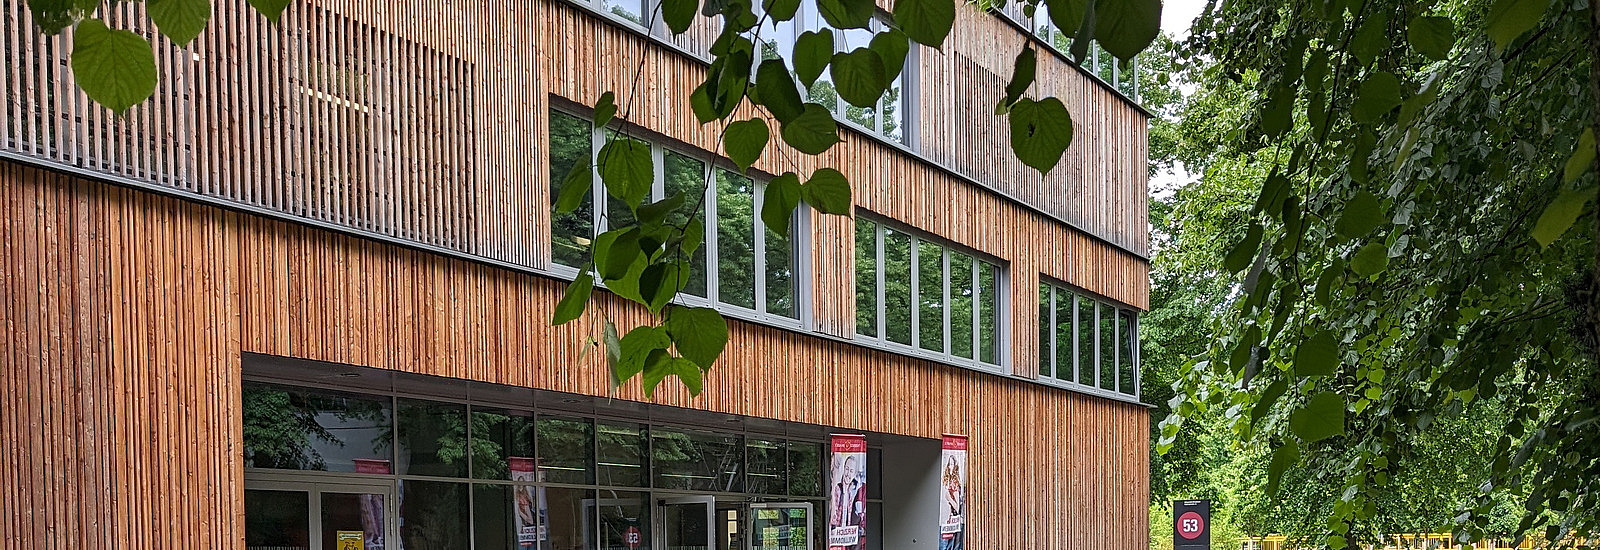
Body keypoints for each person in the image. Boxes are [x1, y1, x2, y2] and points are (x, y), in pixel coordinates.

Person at [830, 455, 867, 549]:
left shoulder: (852, 493)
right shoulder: (837, 489)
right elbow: (833, 514)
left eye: (851, 471)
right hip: (837, 537)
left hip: (849, 537)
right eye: (846, 469)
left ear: (854, 474)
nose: (848, 474)